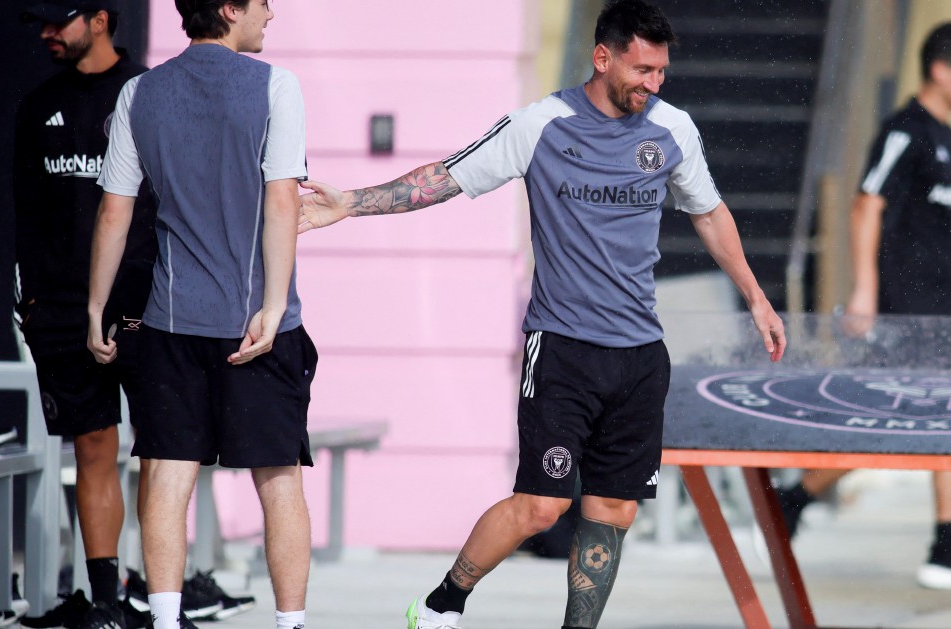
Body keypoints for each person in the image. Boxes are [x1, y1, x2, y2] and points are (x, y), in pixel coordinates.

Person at [298, 2, 786, 626]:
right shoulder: (542, 124)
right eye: (642, 69)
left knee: (614, 511)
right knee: (541, 506)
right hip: (562, 349)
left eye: (662, 71)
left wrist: (757, 299)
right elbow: (443, 178)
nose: (653, 84)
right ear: (602, 57)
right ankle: (444, 602)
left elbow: (710, 215)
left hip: (640, 357)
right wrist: (353, 204)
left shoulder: (673, 131)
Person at [88, 1, 314, 628]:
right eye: (261, 1)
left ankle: (163, 620)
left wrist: (96, 307)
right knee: (279, 482)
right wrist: (271, 307)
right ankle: (290, 624)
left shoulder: (140, 92)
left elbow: (115, 210)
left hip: (169, 322)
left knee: (166, 477)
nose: (271, 11)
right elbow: (281, 201)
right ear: (228, 9)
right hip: (258, 327)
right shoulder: (276, 86)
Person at [777, 22, 951, 592]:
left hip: (944, 307)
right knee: (884, 422)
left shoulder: (948, 137)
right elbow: (867, 205)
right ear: (941, 69)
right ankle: (795, 497)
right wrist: (865, 292)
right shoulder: (903, 131)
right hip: (904, 307)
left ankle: (946, 544)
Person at [13, 2, 155, 627]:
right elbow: (25, 217)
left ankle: (161, 594)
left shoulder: (149, 95)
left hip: (147, 308)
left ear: (100, 18)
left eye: (58, 19)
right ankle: (105, 605)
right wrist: (37, 301)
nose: (47, 32)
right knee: (93, 447)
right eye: (39, 21)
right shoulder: (37, 106)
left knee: (162, 453)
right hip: (65, 312)